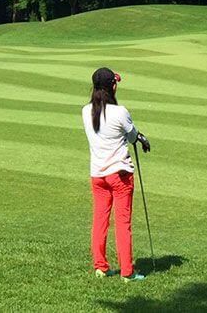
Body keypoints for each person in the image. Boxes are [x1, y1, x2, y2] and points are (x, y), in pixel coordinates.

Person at [82, 67, 150, 282]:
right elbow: (131, 137)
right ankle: (127, 272)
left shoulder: (86, 110)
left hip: (98, 175)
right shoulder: (120, 112)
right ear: (112, 86)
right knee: (123, 223)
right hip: (119, 175)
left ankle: (100, 267)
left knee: (100, 220)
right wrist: (141, 137)